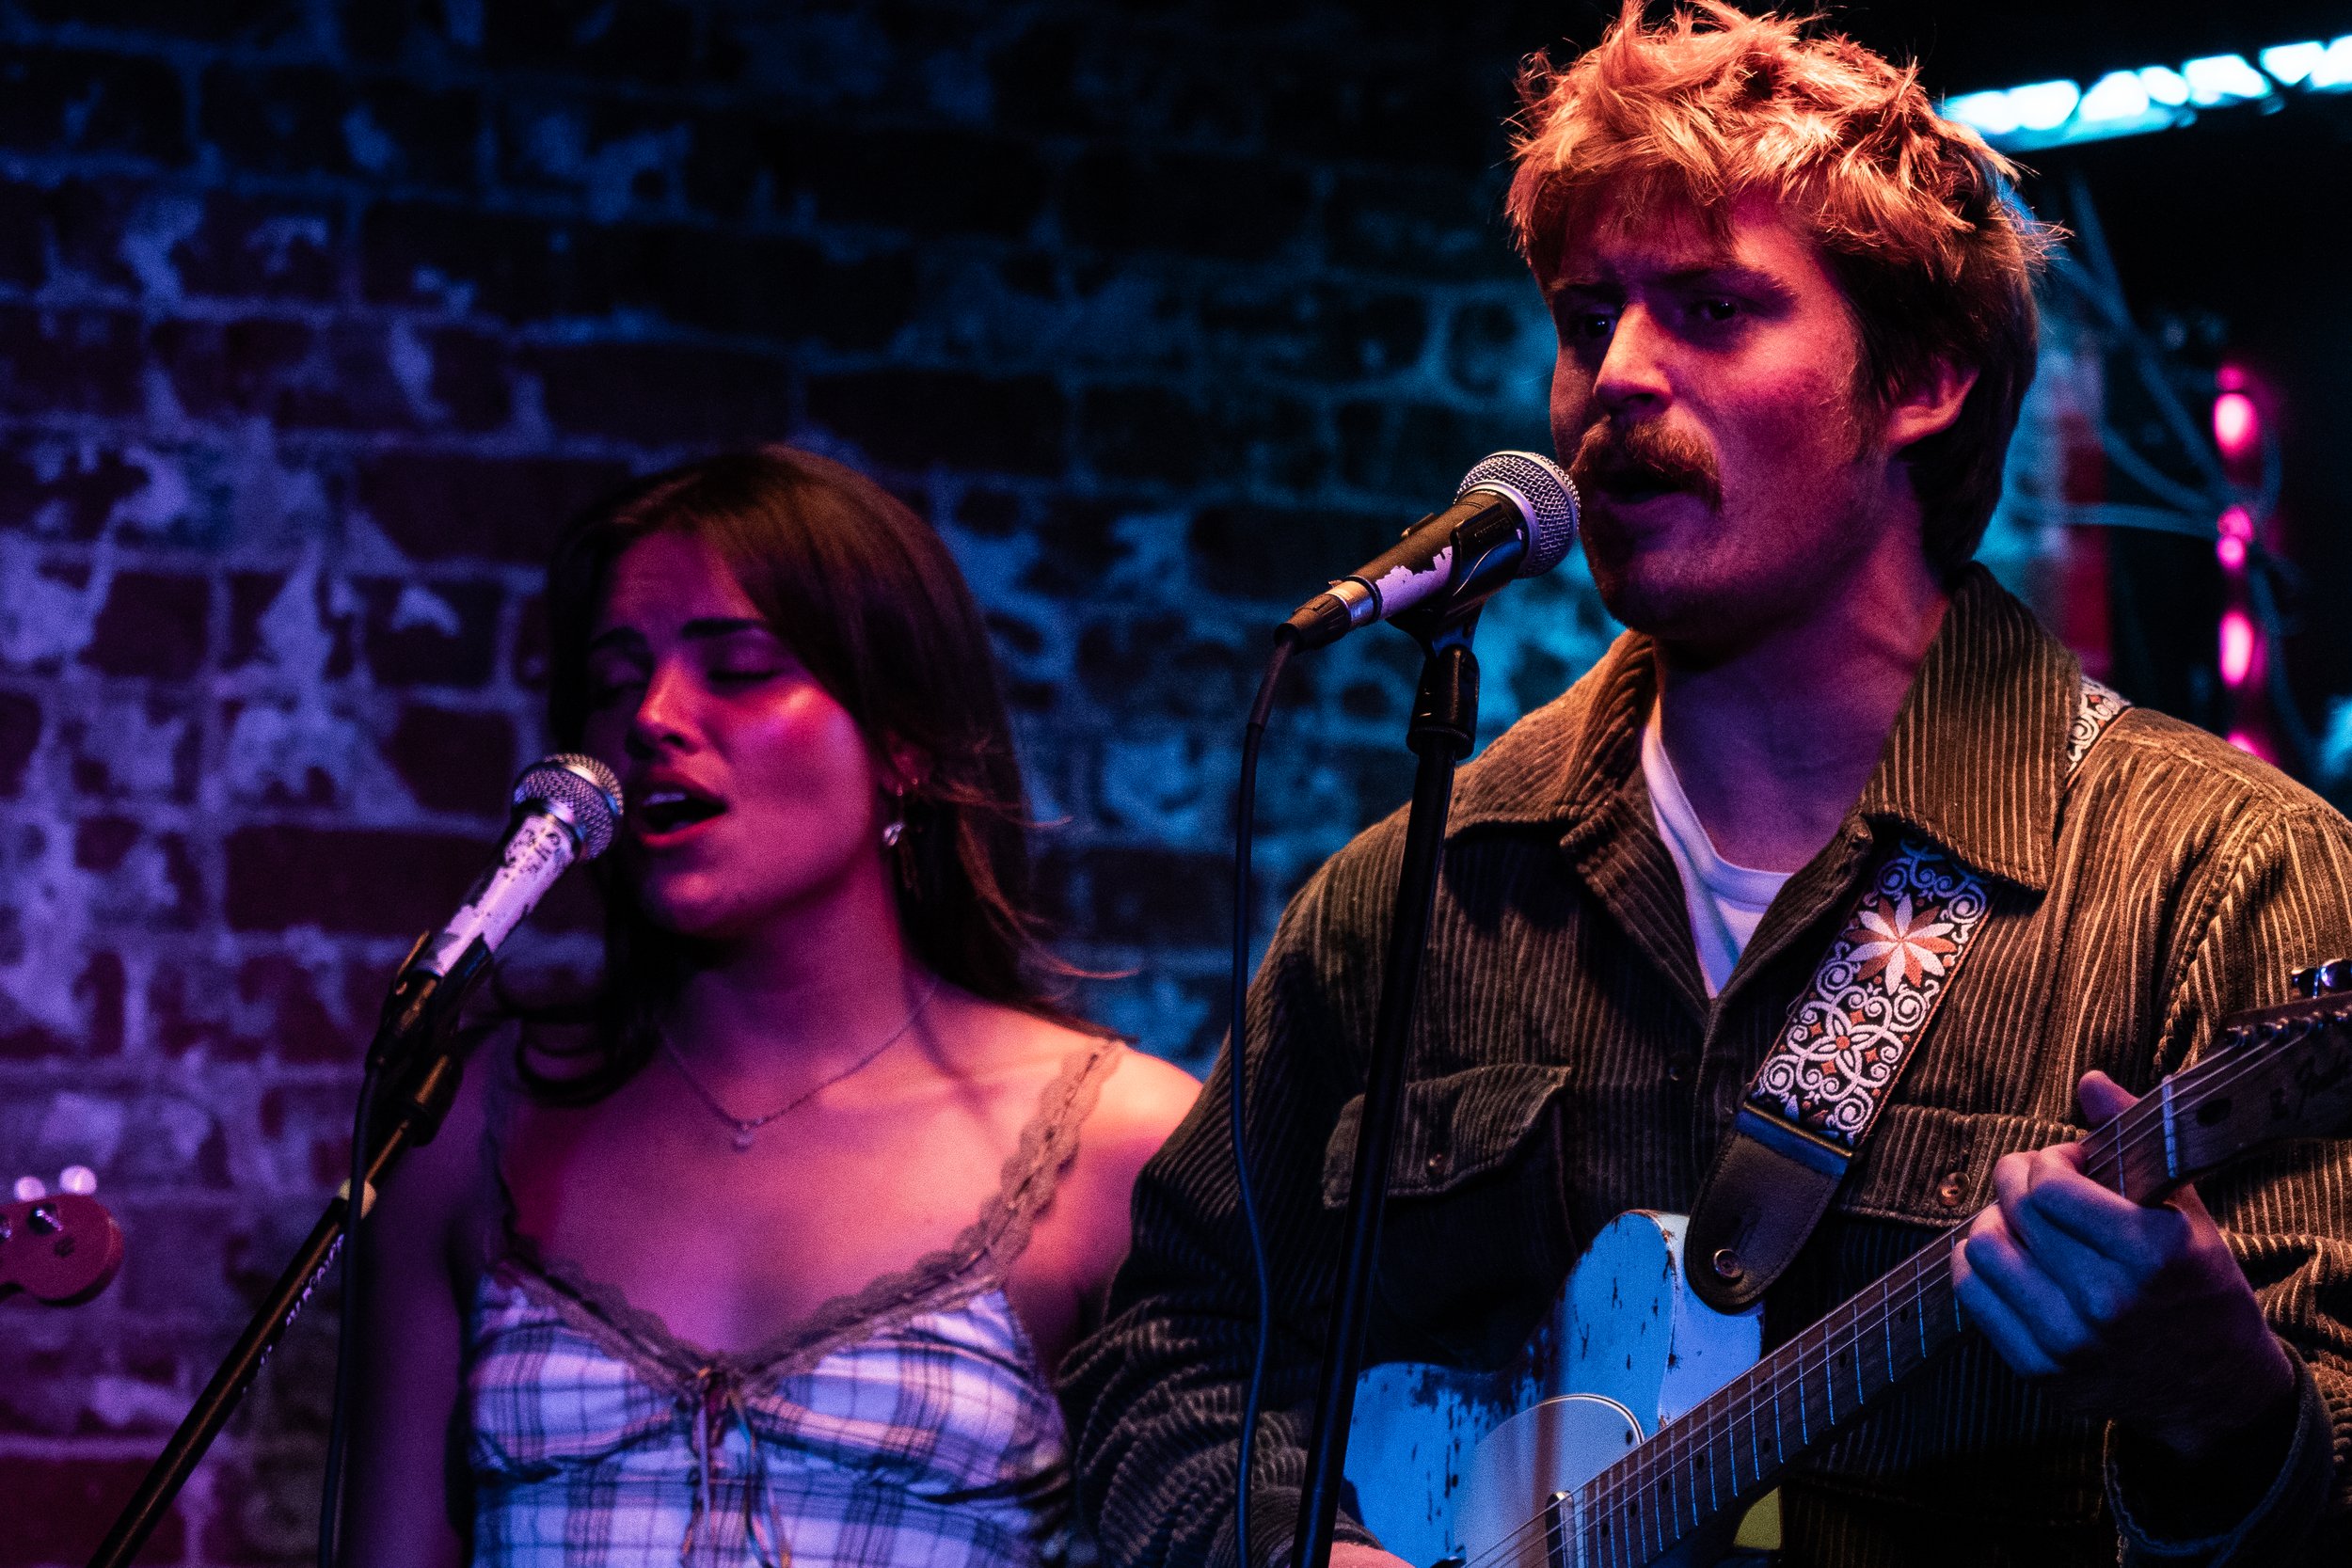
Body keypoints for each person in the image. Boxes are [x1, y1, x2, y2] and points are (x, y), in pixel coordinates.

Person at [1059, 7, 2352, 1565]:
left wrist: (2227, 1407)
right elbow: (1170, 1358)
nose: (1615, 377)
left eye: (1714, 310)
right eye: (1586, 316)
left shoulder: (2222, 880)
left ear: (1923, 377)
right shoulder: (1419, 892)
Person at [346, 446, 1199, 1567]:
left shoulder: (1121, 1143)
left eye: (740, 668)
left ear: (903, 742)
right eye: (613, 683)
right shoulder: (465, 1123)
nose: (652, 717)